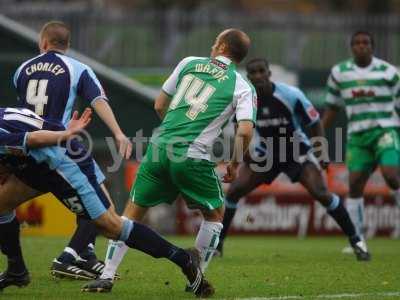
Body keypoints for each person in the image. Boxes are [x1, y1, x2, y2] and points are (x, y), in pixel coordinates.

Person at [82, 28, 256, 294]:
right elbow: (244, 131)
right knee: (215, 215)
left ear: (221, 46)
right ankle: (195, 279)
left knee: (130, 214)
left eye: (215, 41)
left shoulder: (188, 63)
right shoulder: (242, 85)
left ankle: (107, 275)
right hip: (191, 154)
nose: (211, 45)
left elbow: (160, 104)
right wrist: (234, 163)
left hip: (158, 148)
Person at [0, 106, 211, 297]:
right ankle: (16, 270)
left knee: (111, 226)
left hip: (61, 163)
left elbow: (32, 139)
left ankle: (183, 258)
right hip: (37, 163)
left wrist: (64, 134)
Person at [0, 20, 132, 284]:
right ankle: (69, 258)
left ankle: (19, 268)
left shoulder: (22, 70)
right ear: (67, 45)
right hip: (62, 148)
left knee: (2, 205)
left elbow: (19, 114)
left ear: (43, 42)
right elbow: (98, 100)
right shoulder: (78, 68)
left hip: (28, 154)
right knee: (102, 208)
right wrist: (118, 133)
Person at [215, 58, 370, 261]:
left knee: (321, 193)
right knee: (234, 191)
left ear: (269, 73)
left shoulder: (291, 95)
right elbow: (240, 130)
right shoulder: (246, 100)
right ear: (249, 77)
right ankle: (217, 247)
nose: (258, 76)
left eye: (262, 71)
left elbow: (315, 123)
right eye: (253, 73)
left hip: (297, 153)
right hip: (267, 155)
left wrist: (321, 152)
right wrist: (245, 155)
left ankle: (356, 240)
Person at [322, 31, 400, 253]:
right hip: (357, 137)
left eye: (365, 42)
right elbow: (331, 108)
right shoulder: (339, 73)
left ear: (372, 46)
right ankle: (357, 240)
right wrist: (317, 138)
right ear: (351, 47)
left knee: (392, 177)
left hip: (385, 131)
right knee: (355, 184)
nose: (361, 46)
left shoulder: (388, 71)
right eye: (356, 43)